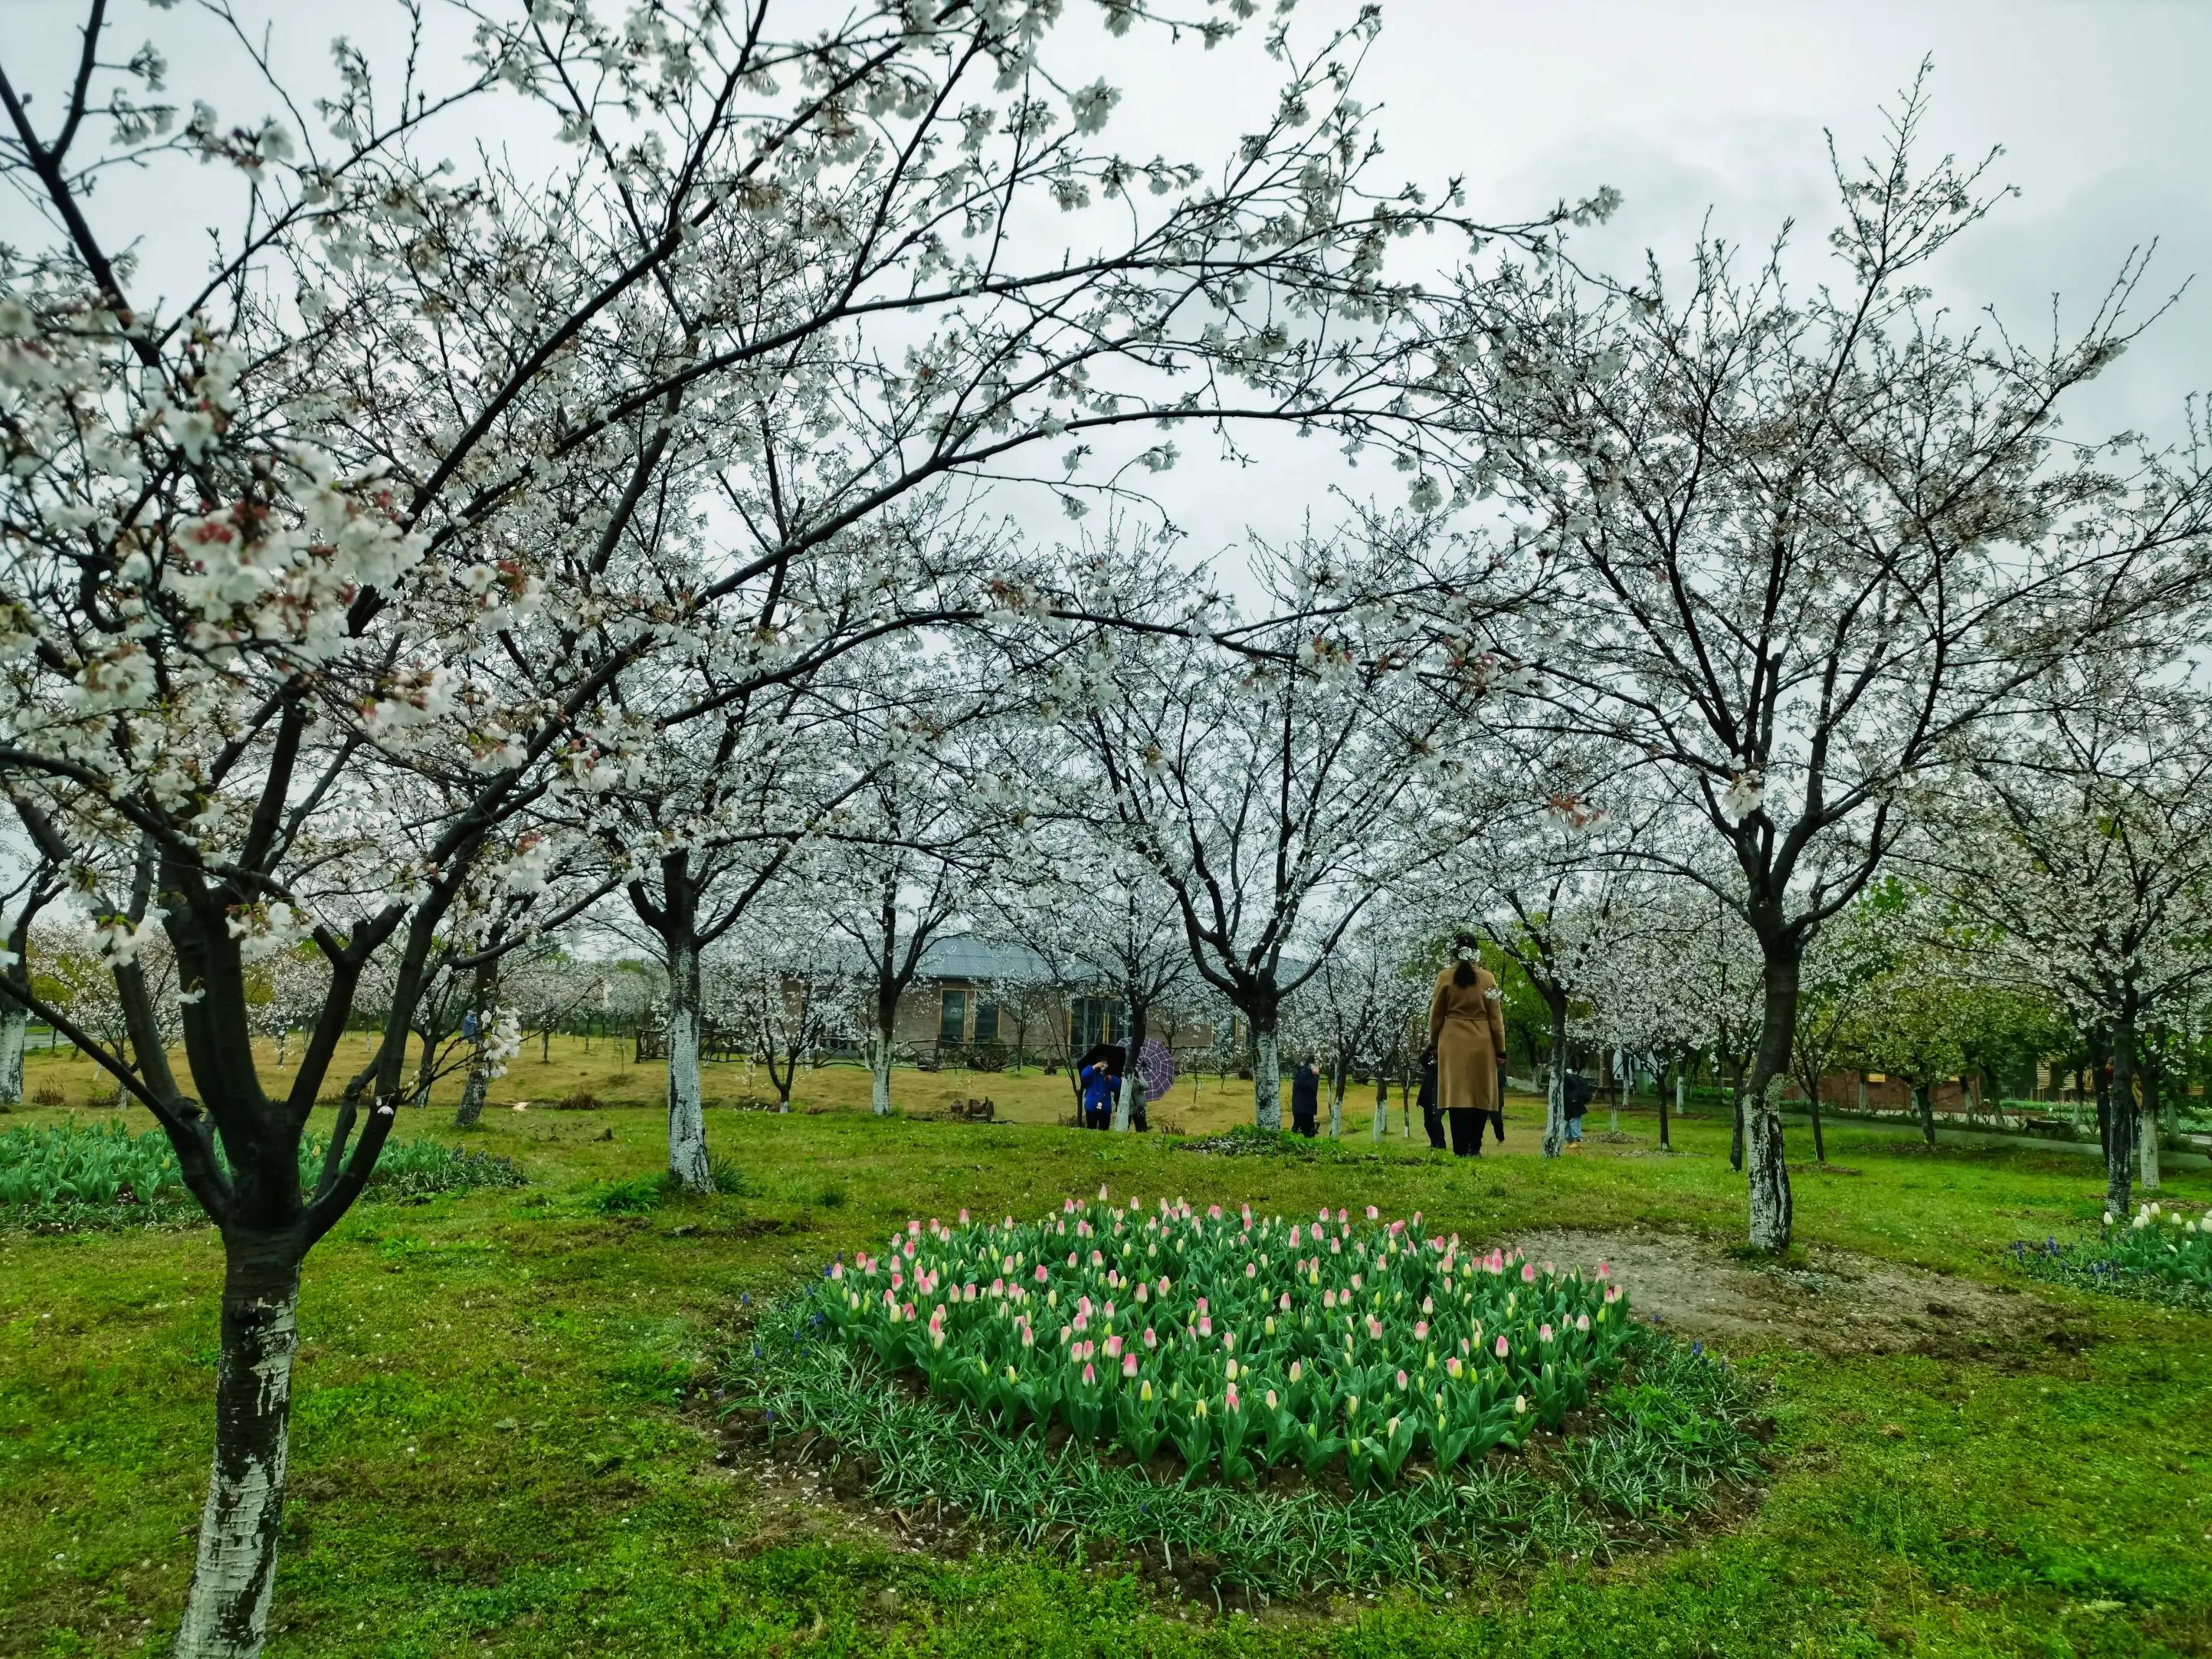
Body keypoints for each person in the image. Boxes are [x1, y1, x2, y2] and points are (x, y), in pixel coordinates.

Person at [1428, 933, 1509, 1157]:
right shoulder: (1488, 978)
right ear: (1476, 951)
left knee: (1456, 1096)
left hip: (1452, 1041)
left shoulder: (1444, 977)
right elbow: (1496, 1019)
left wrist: (1434, 1044)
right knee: (1480, 1094)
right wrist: (1500, 1049)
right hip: (1483, 1042)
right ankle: (1476, 1145)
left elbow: (1435, 1017)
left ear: (1454, 951)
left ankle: (1460, 1148)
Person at [1417, 1051, 1446, 1150]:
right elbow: (1422, 1059)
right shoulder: (1430, 1068)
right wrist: (1430, 1049)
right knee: (1428, 1123)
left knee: (1436, 1121)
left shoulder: (1445, 1069)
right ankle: (1434, 1142)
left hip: (1439, 1099)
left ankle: (1441, 1144)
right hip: (1428, 1100)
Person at [1080, 1057, 1115, 1129]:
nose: (1104, 1065)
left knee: (1104, 1131)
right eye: (1102, 1063)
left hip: (1105, 1108)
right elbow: (1084, 1076)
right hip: (1092, 1107)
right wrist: (1093, 1067)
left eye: (1106, 1063)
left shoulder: (1109, 1076)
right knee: (1091, 1130)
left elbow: (1118, 1086)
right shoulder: (1091, 1073)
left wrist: (1110, 1078)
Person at [1562, 1067, 1594, 1147]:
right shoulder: (1563, 1080)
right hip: (1568, 1105)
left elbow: (1576, 1088)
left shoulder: (1569, 1079)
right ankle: (1570, 1141)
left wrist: (1575, 1098)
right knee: (1567, 1124)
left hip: (1575, 1105)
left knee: (1574, 1123)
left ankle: (1577, 1141)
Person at [1290, 1059, 1321, 1137]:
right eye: (1316, 1066)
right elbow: (1312, 1086)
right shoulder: (1303, 1075)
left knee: (1301, 1130)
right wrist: (1316, 1075)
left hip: (1304, 1108)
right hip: (1304, 1109)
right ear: (1311, 1066)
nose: (1317, 1068)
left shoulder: (1305, 1074)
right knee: (1307, 1133)